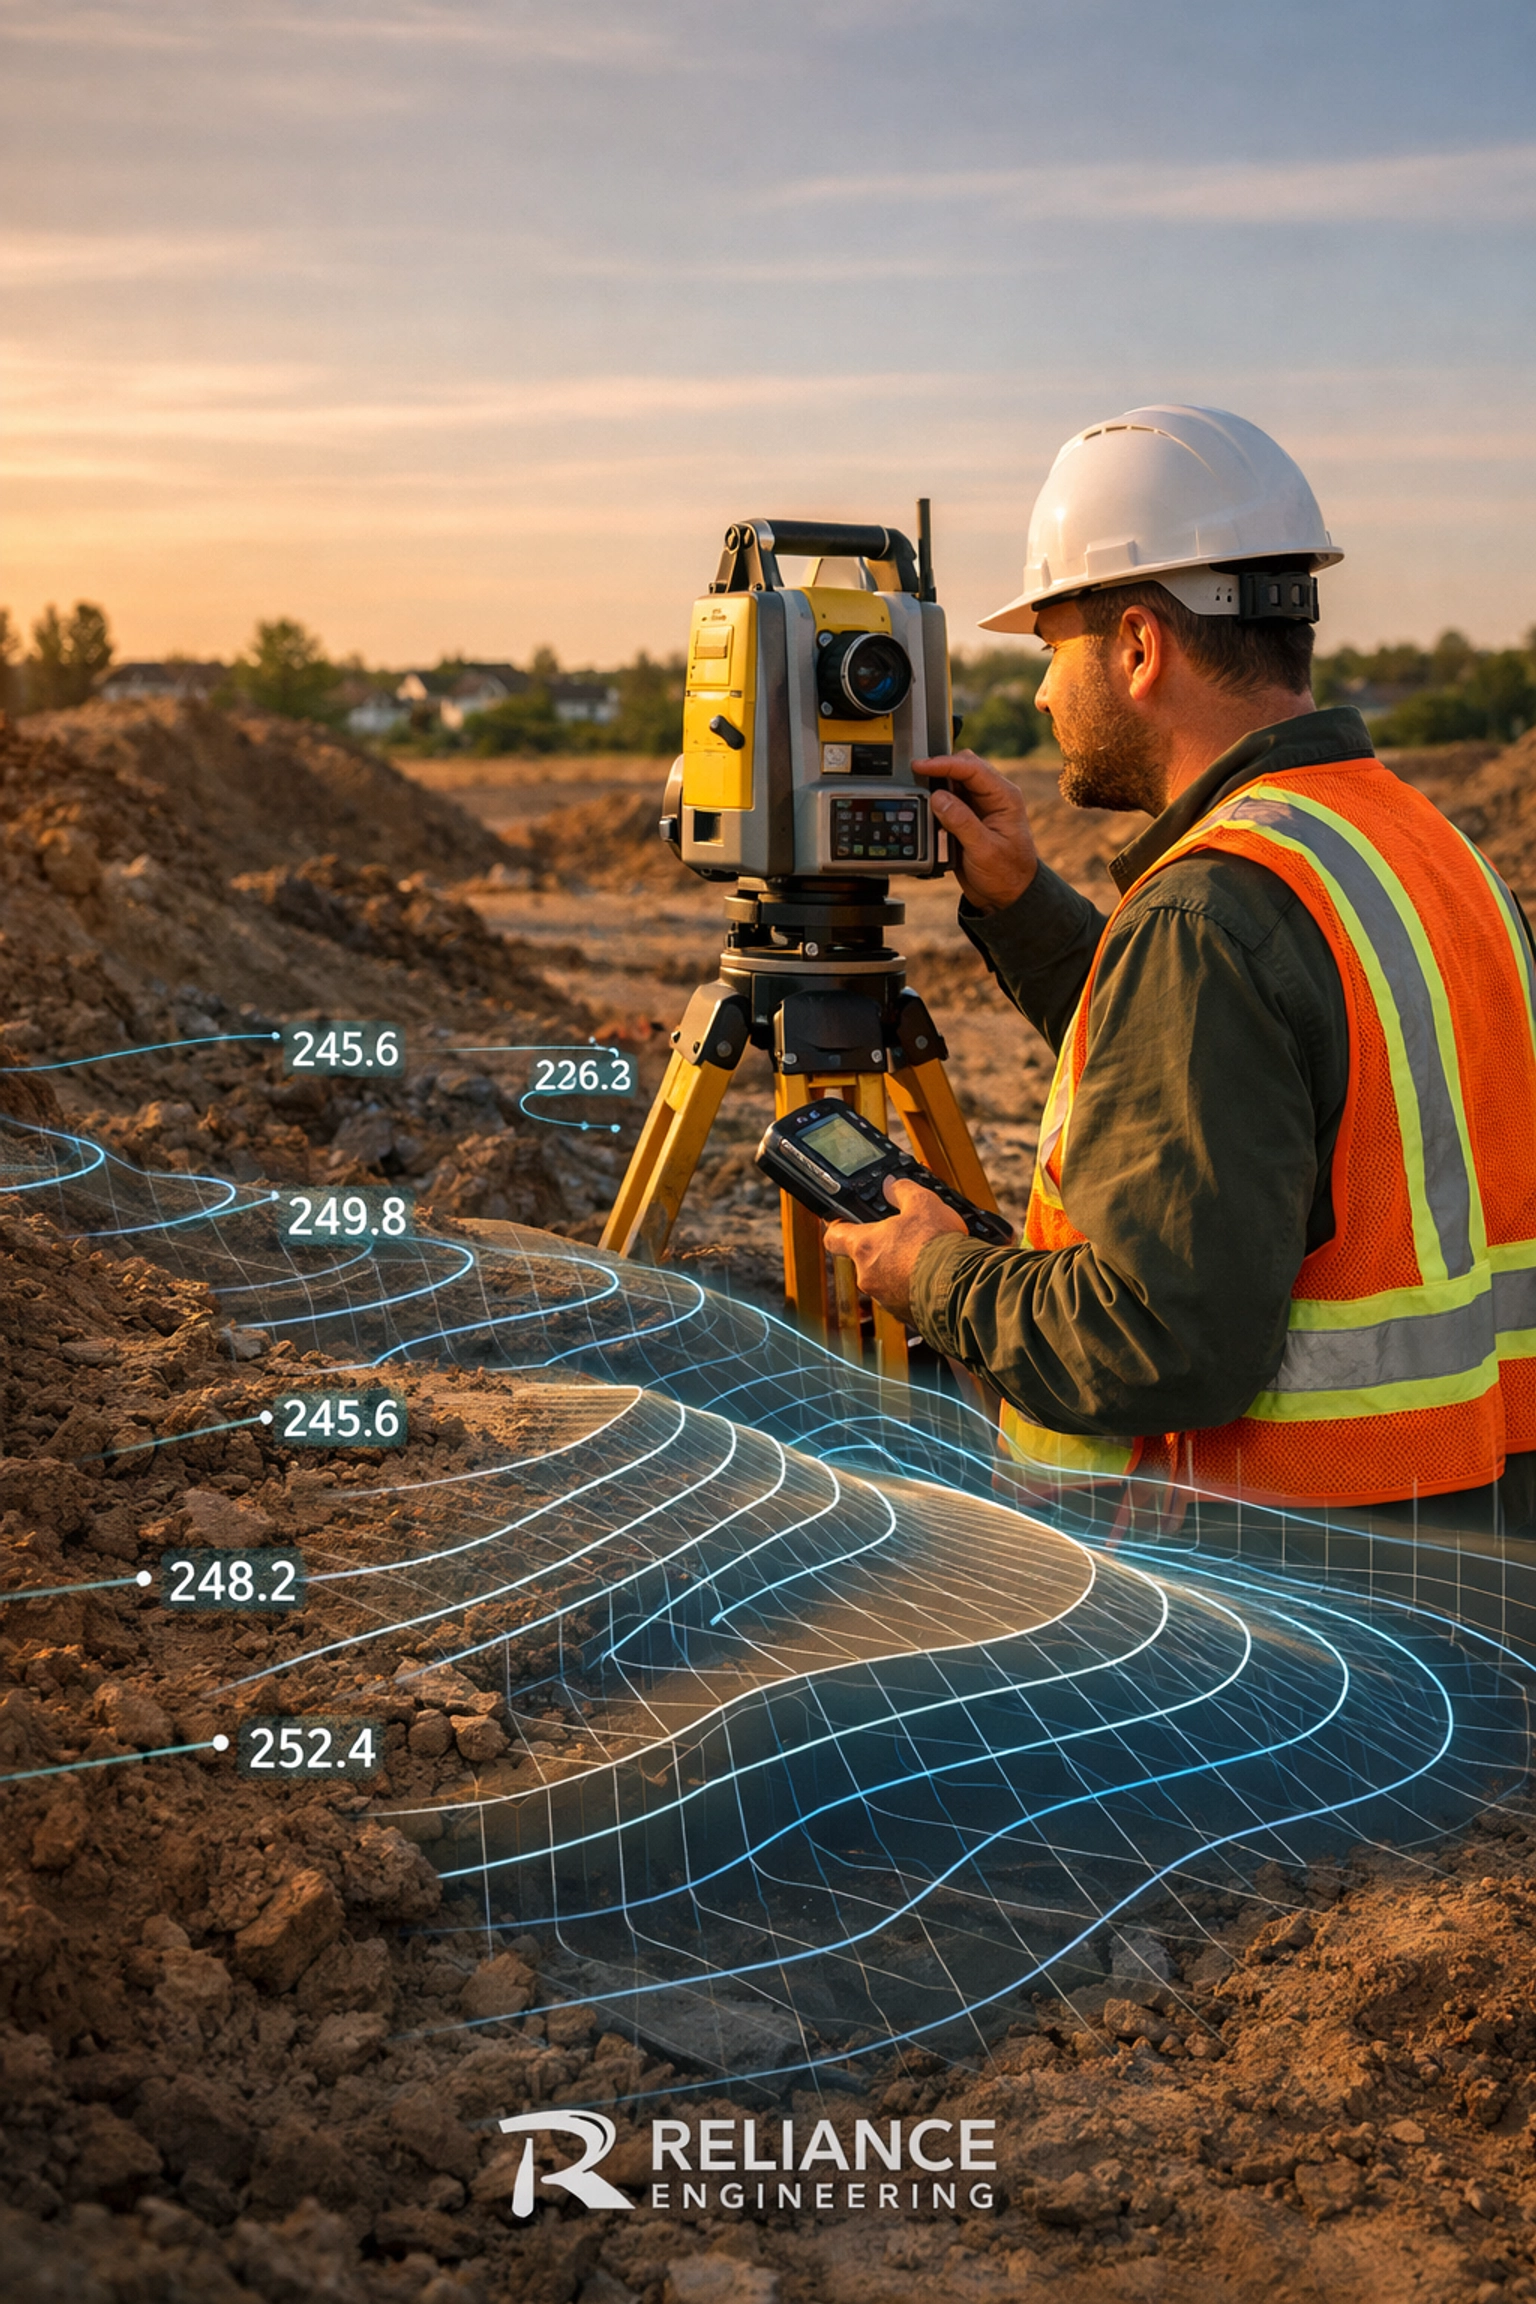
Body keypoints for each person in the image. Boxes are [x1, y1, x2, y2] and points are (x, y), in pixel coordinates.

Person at [824, 404, 1536, 1523]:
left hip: (1284, 1611)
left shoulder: (1211, 915)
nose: (1048, 693)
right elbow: (1235, 1091)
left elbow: (1156, 1342)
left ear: (1140, 647)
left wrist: (936, 1274)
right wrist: (1021, 904)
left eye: (1053, 650)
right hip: (1465, 1553)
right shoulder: (1422, 850)